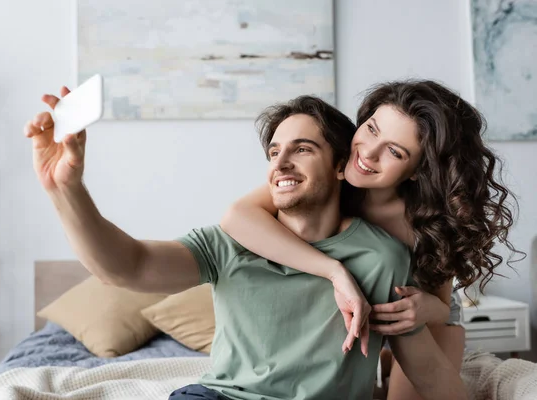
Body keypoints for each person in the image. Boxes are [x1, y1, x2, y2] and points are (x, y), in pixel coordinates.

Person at [25, 91, 468, 400]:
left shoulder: (384, 254)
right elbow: (127, 268)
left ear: (339, 166)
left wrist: (432, 309)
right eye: (274, 152)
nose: (281, 163)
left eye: (302, 149)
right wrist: (66, 189)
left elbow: (428, 368)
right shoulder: (232, 239)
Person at [220, 80, 523, 398]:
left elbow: (443, 306)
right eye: (372, 129)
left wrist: (423, 309)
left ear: (419, 169)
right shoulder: (330, 176)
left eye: (394, 151)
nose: (367, 153)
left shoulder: (431, 218)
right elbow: (236, 218)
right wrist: (333, 271)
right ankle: (382, 360)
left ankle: (391, 360)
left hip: (419, 321)